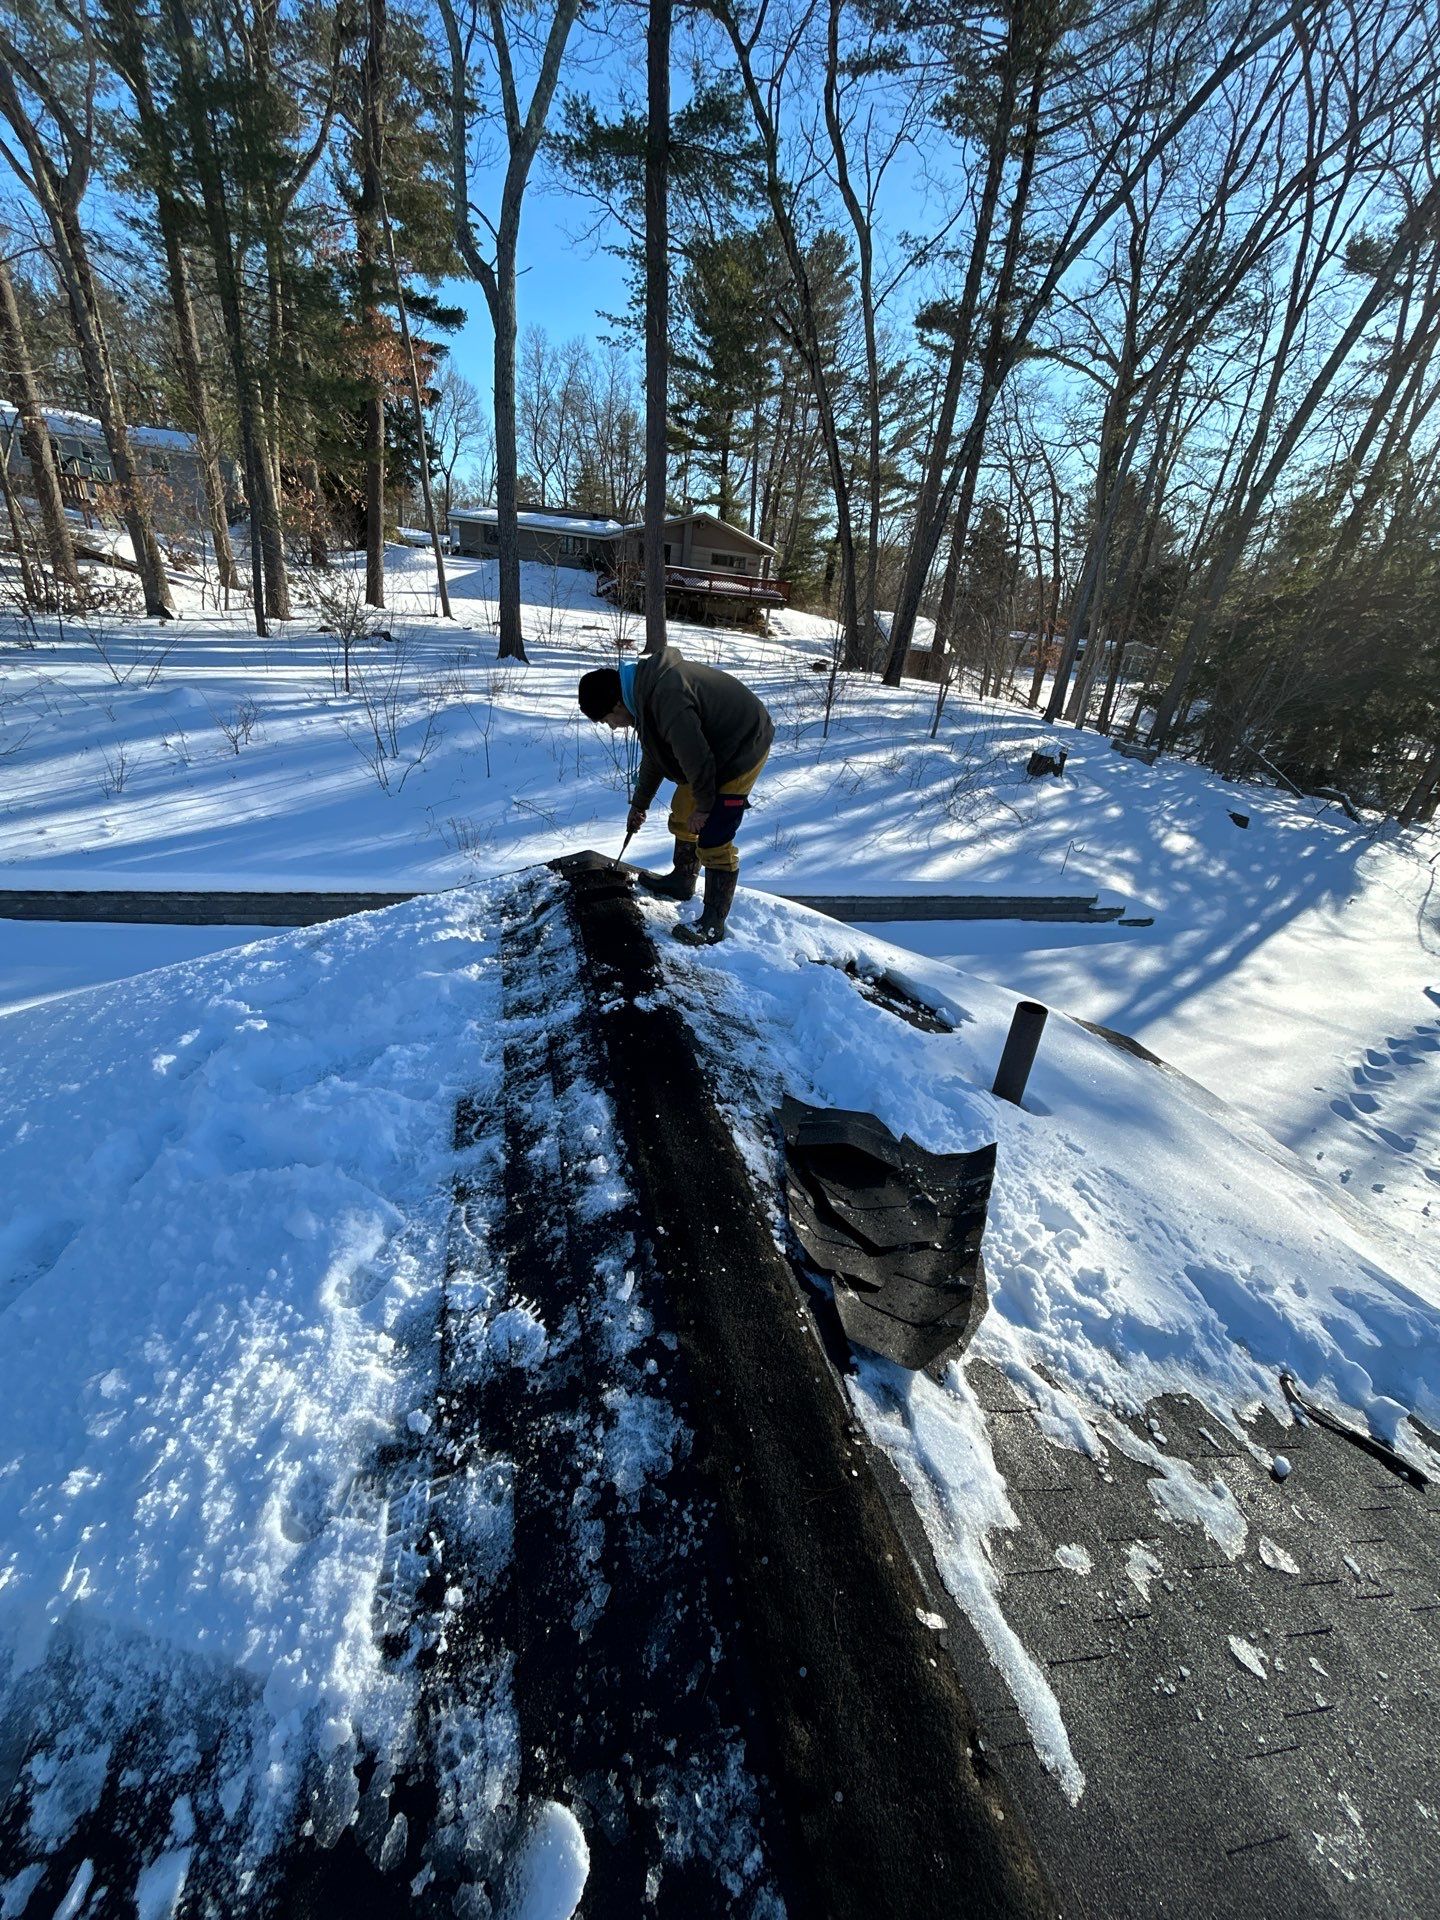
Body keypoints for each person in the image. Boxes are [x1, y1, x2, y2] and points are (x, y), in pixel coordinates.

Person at [578, 645, 774, 945]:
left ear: (617, 704)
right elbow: (656, 755)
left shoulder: (667, 697)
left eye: (607, 721)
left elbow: (696, 758)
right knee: (684, 809)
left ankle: (713, 924)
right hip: (710, 745)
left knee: (714, 831)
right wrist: (640, 804)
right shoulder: (644, 696)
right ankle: (683, 880)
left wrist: (706, 807)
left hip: (743, 744)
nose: (614, 727)